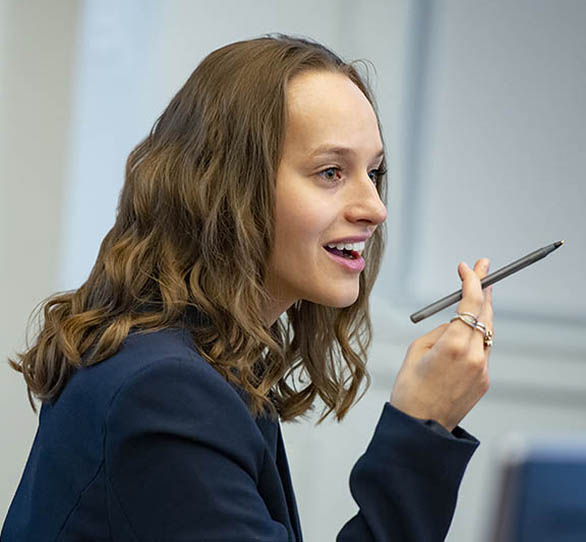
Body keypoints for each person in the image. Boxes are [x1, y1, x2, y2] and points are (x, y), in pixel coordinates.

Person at [2, 34, 494, 541]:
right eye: (331, 172)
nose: (374, 207)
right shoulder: (165, 390)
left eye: (373, 172)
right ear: (228, 188)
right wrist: (423, 428)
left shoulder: (198, 362)